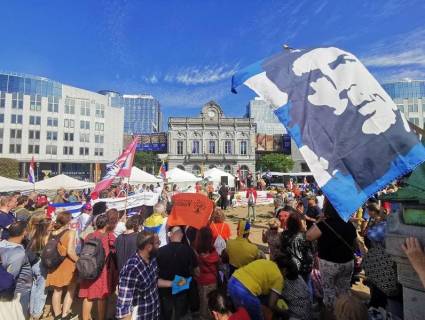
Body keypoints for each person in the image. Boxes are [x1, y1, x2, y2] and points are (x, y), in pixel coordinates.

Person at [306, 199, 357, 311]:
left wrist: (319, 221)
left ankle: (333, 312)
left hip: (329, 263)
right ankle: (345, 312)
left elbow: (309, 236)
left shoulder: (324, 224)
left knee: (329, 291)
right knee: (344, 289)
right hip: (347, 262)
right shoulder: (348, 224)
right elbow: (355, 243)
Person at [116, 231, 172, 320]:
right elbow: (123, 309)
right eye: (158, 243)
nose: (160, 245)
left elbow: (154, 281)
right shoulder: (132, 270)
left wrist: (174, 283)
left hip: (154, 314)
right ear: (149, 247)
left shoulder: (152, 259)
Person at [79, 214, 117, 320]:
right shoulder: (109, 236)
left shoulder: (89, 236)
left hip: (88, 268)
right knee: (102, 297)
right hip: (102, 270)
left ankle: (85, 318)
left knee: (88, 296)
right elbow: (114, 251)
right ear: (106, 224)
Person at [156, 226, 199, 320]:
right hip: (182, 285)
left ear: (170, 235)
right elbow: (197, 271)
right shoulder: (189, 250)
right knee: (180, 314)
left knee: (167, 314)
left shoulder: (160, 251)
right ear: (182, 235)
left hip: (165, 289)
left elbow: (155, 271)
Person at [45, 211, 79, 320]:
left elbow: (47, 247)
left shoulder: (51, 232)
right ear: (68, 220)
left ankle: (58, 315)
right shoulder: (71, 232)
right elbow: (70, 251)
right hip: (68, 264)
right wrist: (79, 260)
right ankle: (65, 314)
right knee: (71, 289)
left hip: (54, 264)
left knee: (57, 290)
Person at [0, 221, 33, 318]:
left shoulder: (1, 244)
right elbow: (11, 276)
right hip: (18, 292)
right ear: (24, 233)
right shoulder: (18, 253)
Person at [27, 212, 51, 320]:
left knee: (34, 287)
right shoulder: (45, 237)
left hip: (33, 264)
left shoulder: (34, 234)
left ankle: (31, 311)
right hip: (40, 265)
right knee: (41, 289)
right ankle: (37, 313)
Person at [196, 227, 220, 320]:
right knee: (212, 303)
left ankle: (203, 316)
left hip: (202, 281)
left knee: (203, 302)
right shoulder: (215, 254)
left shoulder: (197, 253)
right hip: (213, 280)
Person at [280, 213, 313, 282]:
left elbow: (282, 249)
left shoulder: (284, 234)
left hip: (290, 267)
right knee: (305, 287)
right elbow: (312, 250)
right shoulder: (305, 236)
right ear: (300, 224)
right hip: (304, 267)